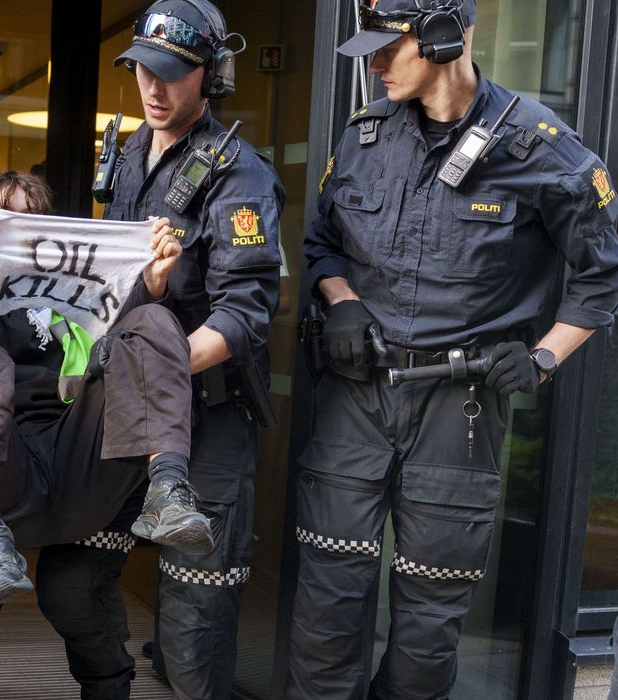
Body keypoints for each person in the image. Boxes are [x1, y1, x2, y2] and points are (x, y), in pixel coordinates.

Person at [288, 1, 618, 697]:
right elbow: (322, 241)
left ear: (442, 38)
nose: (374, 64)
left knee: (426, 636)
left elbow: (602, 274)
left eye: (388, 47)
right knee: (326, 612)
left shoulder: (539, 147)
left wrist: (542, 358)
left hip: (458, 407)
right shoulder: (364, 135)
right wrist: (341, 300)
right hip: (355, 396)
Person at [0, 171, 162, 699]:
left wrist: (152, 282)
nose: (16, 225)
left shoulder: (73, 271)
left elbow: (124, 321)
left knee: (74, 594)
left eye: (29, 217)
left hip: (68, 450)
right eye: (4, 213)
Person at [102, 2, 285, 698]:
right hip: (126, 405)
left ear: (210, 75)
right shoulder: (128, 154)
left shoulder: (240, 173)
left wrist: (158, 370)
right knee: (86, 572)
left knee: (195, 603)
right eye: (142, 70)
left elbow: (246, 313)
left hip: (208, 410)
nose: (153, 88)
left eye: (171, 73)